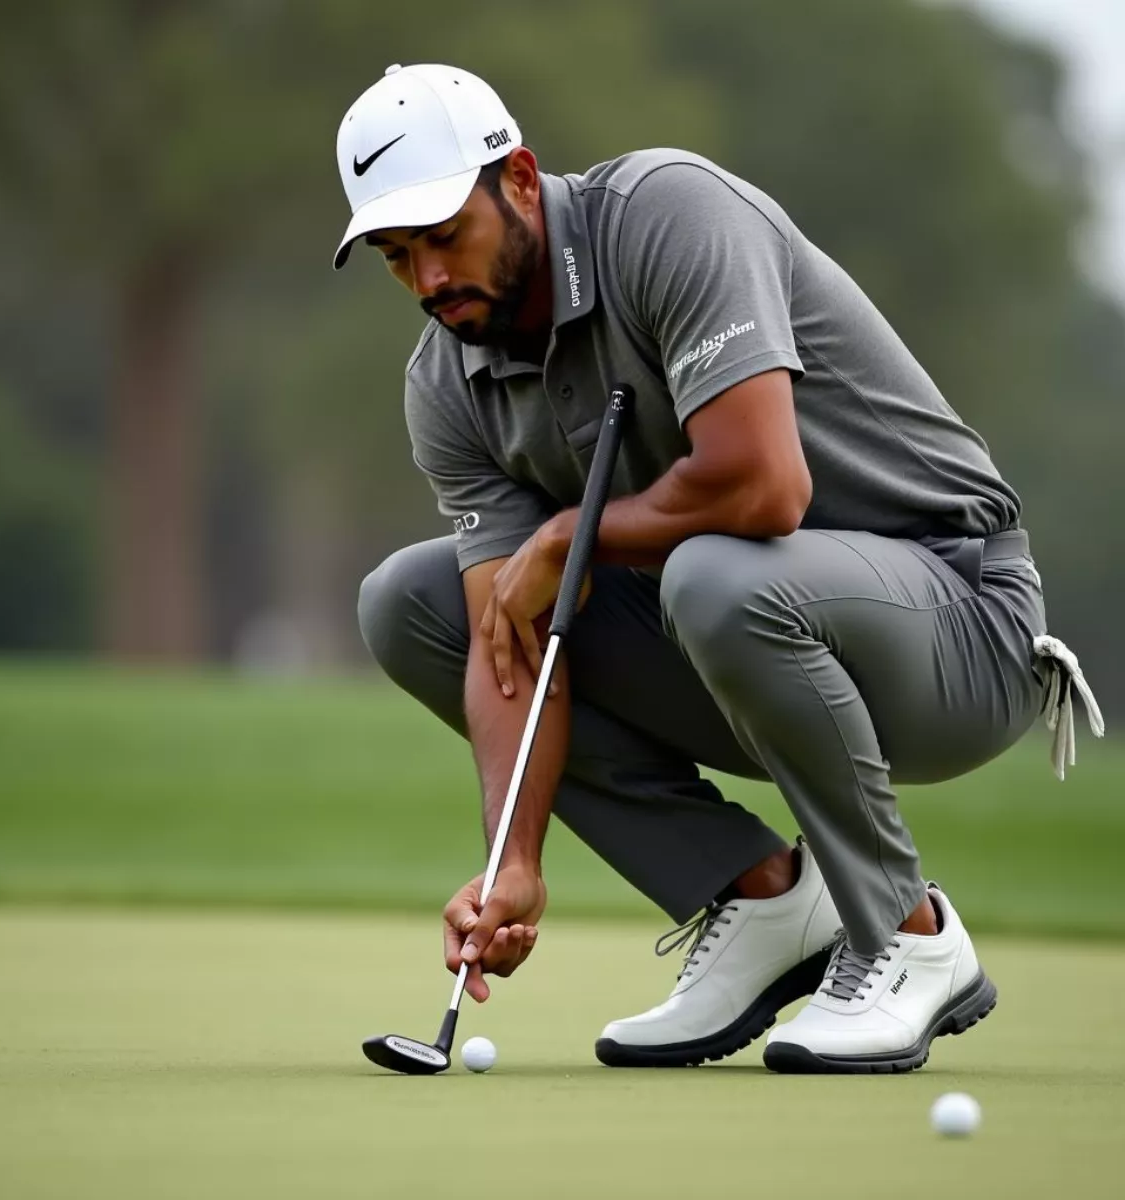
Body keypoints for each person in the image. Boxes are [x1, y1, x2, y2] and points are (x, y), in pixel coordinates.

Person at [335, 63, 1103, 1073]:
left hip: (961, 622)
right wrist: (512, 861)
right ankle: (760, 899)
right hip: (738, 639)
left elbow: (762, 490)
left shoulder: (666, 215)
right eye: (397, 256)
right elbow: (512, 649)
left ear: (519, 179)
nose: (429, 280)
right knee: (411, 604)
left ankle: (910, 935)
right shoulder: (448, 380)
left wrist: (568, 536)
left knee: (712, 573)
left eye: (444, 237)